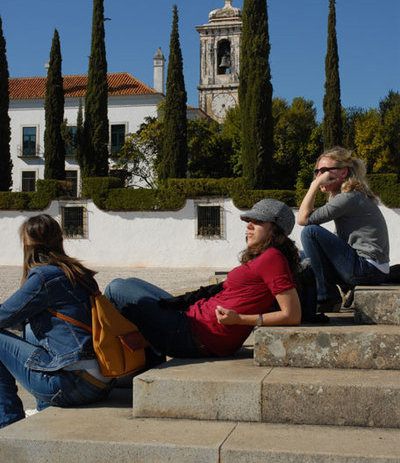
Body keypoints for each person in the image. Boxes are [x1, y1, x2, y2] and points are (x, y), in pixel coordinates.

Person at [105, 199, 301, 361]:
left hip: (194, 335)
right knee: (129, 282)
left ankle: (121, 360)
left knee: (116, 289)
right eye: (249, 219)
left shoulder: (273, 258)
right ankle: (149, 354)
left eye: (258, 221)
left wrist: (239, 319)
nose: (248, 225)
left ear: (277, 231)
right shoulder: (265, 257)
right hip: (191, 319)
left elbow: (292, 315)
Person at [0, 214, 114, 429]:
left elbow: (5, 315)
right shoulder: (79, 273)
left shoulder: (44, 277)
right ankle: (43, 409)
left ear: (27, 245)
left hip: (73, 385)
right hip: (101, 381)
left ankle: (7, 424)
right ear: (59, 240)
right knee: (31, 330)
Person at [297, 146, 390, 313]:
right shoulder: (351, 197)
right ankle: (329, 295)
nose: (320, 175)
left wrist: (314, 185)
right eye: (317, 172)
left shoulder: (348, 198)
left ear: (343, 172)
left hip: (367, 269)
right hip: (371, 269)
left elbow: (302, 219)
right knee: (304, 256)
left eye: (325, 171)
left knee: (310, 232)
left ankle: (327, 298)